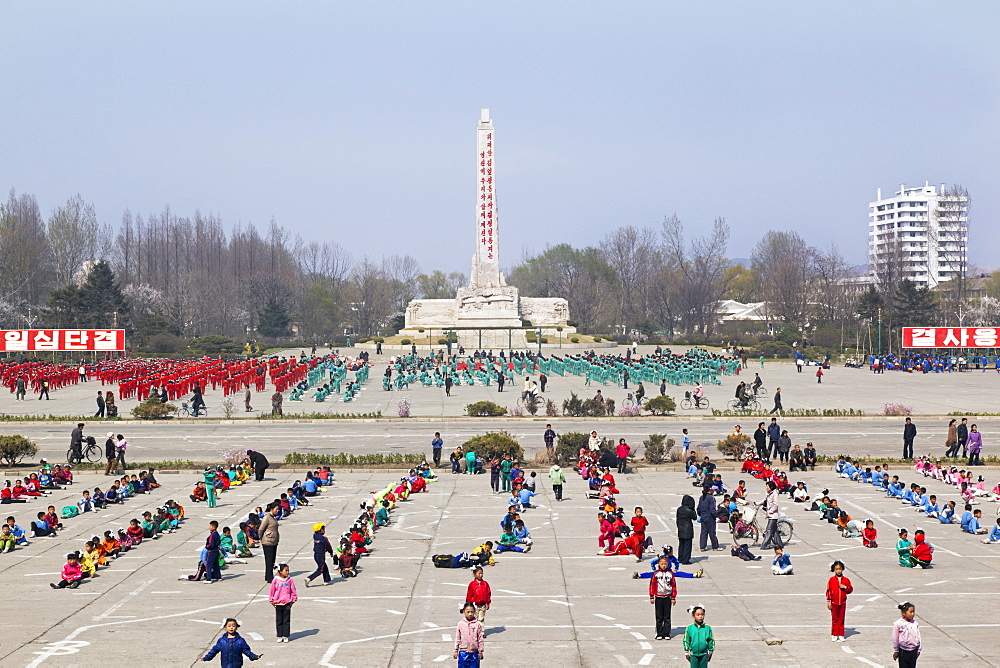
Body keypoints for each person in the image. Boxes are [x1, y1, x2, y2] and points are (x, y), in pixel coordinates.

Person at [649, 556, 677, 640]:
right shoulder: (656, 574)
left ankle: (667, 633)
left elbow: (674, 586)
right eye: (662, 564)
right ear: (658, 564)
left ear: (668, 564)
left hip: (667, 597)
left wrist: (673, 597)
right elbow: (652, 585)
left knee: (667, 616)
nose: (663, 565)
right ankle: (659, 633)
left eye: (665, 564)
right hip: (658, 597)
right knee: (659, 616)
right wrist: (651, 596)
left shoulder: (670, 574)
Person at [826, 560, 853, 642]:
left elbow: (850, 590)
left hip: (842, 603)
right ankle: (834, 634)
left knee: (841, 619)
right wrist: (829, 601)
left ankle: (841, 634)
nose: (838, 571)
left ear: (842, 569)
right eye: (836, 569)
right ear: (834, 569)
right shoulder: (831, 580)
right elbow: (829, 591)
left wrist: (845, 587)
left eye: (840, 569)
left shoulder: (846, 580)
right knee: (834, 619)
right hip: (834, 602)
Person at [269, 563, 297, 642]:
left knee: (286, 620)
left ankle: (285, 635)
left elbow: (293, 590)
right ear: (280, 572)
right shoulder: (276, 580)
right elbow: (272, 590)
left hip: (287, 603)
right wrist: (272, 599)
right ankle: (279, 635)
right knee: (279, 620)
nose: (287, 572)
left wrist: (294, 598)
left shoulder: (290, 580)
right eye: (286, 570)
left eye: (288, 570)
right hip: (278, 603)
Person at [453, 602, 485, 668]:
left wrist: (481, 651)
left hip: (475, 653)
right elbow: (458, 638)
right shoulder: (460, 624)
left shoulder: (477, 624)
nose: (470, 614)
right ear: (463, 611)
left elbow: (480, 639)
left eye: (472, 612)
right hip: (463, 652)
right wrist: (456, 650)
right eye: (468, 612)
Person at [892, 601, 921, 668]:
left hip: (913, 651)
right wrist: (896, 650)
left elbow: (918, 636)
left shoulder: (915, 623)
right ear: (903, 613)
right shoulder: (898, 623)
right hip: (903, 651)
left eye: (913, 611)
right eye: (910, 612)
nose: (913, 614)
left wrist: (919, 649)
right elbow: (895, 638)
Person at [260, 503, 280, 583]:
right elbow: (261, 529)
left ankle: (268, 575)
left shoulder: (273, 517)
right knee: (269, 560)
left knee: (272, 560)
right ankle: (269, 577)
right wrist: (261, 538)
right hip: (268, 541)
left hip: (274, 541)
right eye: (276, 509)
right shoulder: (267, 517)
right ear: (271, 509)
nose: (277, 511)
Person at [759, 481, 782, 549]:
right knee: (774, 530)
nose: (766, 487)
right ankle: (780, 544)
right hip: (770, 514)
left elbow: (776, 505)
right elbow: (764, 500)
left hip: (773, 515)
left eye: (767, 486)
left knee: (769, 530)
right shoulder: (769, 493)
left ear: (771, 487)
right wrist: (757, 503)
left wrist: (770, 511)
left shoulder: (775, 494)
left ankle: (765, 545)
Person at [697, 485, 720, 551]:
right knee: (712, 532)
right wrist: (716, 517)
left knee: (704, 532)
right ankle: (715, 546)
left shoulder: (702, 497)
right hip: (710, 517)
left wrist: (700, 514)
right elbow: (712, 509)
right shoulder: (711, 498)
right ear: (710, 491)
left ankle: (702, 546)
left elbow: (699, 508)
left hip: (703, 516)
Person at [676, 495, 697, 564]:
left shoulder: (679, 509)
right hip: (687, 529)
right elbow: (694, 517)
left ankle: (680, 558)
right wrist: (693, 509)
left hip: (680, 528)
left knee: (681, 544)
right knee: (687, 545)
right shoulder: (689, 510)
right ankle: (685, 559)